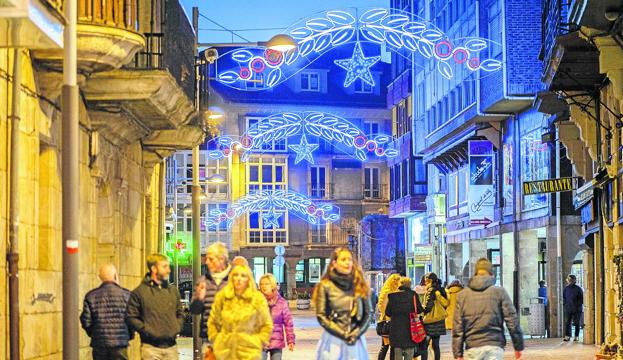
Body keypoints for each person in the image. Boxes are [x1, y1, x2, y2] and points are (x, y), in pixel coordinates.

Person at [452, 258, 524, 360]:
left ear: (476, 273)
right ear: (491, 274)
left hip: (472, 347)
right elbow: (512, 321)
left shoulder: (462, 295)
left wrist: (458, 353)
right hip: (494, 346)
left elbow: (457, 327)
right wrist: (518, 347)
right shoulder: (499, 292)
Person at [314, 247, 372, 359]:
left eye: (350, 260)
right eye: (343, 259)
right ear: (334, 263)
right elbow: (321, 316)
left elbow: (368, 313)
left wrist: (356, 333)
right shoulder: (325, 286)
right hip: (333, 340)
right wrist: (342, 334)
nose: (347, 263)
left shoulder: (359, 284)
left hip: (355, 340)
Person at [208, 265, 273, 360]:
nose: (239, 278)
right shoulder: (222, 297)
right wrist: (216, 339)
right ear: (231, 278)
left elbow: (267, 325)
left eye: (243, 276)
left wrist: (258, 341)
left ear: (248, 279)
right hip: (224, 352)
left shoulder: (257, 298)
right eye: (236, 275)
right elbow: (212, 322)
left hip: (249, 353)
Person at [126, 254, 183, 360]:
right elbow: (131, 316)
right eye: (164, 267)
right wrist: (146, 330)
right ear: (153, 268)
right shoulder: (140, 292)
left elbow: (179, 312)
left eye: (168, 266)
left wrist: (176, 327)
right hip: (150, 348)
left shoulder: (173, 291)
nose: (168, 270)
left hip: (171, 347)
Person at [80, 264, 132, 360]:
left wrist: (94, 333)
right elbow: (132, 319)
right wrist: (128, 335)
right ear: (116, 275)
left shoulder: (91, 296)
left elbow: (85, 321)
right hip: (120, 343)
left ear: (100, 278)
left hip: (99, 343)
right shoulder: (127, 295)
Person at [189, 241, 232, 353]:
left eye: (211, 259)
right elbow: (194, 310)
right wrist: (199, 298)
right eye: (206, 259)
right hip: (209, 338)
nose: (207, 262)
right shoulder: (203, 281)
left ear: (222, 259)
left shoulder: (235, 279)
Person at [385, 277, 424, 360]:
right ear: (409, 285)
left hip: (396, 331)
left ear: (400, 284)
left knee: (397, 355)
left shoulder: (392, 296)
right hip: (411, 330)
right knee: (409, 354)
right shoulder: (413, 295)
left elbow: (387, 312)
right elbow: (419, 310)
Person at [259, 273, 295, 360]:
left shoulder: (282, 303)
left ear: (272, 285)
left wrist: (290, 340)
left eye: (266, 284)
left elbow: (288, 323)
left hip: (276, 341)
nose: (263, 286)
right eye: (261, 284)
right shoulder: (256, 301)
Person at [421, 273, 448, 360]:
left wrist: (422, 310)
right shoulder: (441, 290)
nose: (425, 282)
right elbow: (445, 304)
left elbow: (428, 307)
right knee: (436, 345)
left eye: (426, 280)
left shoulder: (431, 290)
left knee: (424, 346)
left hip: (430, 322)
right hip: (439, 320)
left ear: (430, 280)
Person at [376, 273, 402, 360]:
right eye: (398, 282)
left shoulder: (387, 291)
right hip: (389, 322)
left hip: (389, 322)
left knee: (388, 346)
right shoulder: (389, 292)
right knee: (388, 346)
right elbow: (385, 307)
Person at [563, 274, 584, 342]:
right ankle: (567, 336)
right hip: (568, 308)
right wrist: (565, 305)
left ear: (574, 280)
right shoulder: (566, 289)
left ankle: (576, 336)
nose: (570, 281)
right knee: (567, 323)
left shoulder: (578, 289)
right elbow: (564, 298)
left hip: (577, 309)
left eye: (572, 280)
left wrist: (578, 305)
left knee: (576, 323)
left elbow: (582, 299)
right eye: (569, 280)